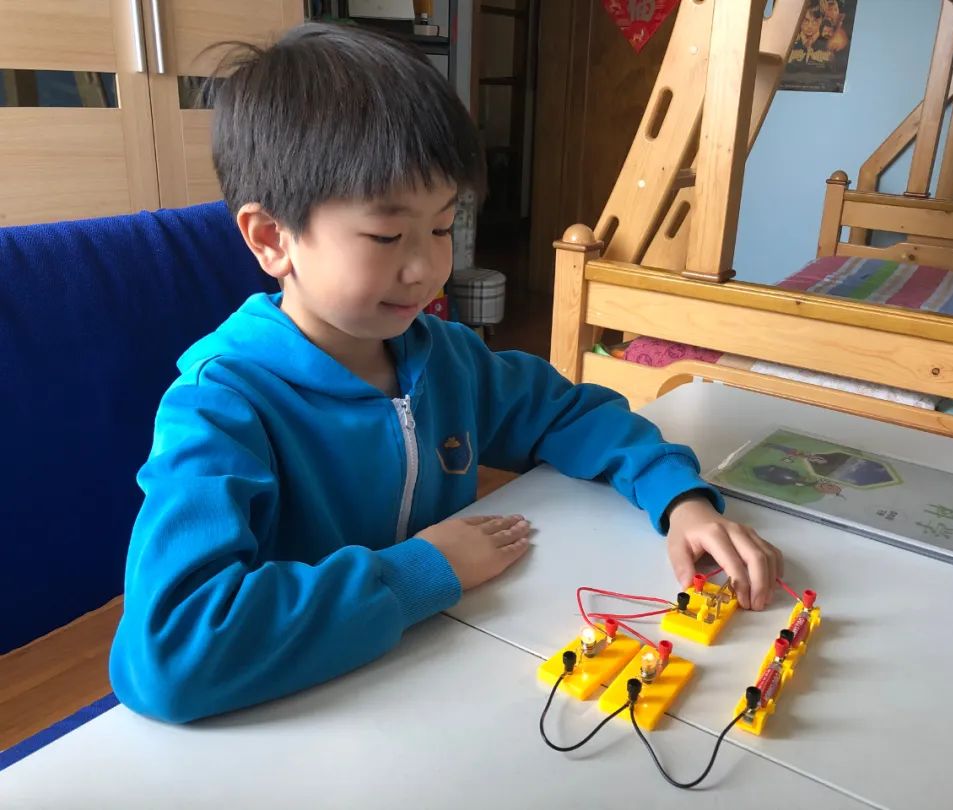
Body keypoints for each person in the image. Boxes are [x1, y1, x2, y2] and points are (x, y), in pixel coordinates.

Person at [109, 23, 782, 723]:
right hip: (308, 717)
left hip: (441, 676)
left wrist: (680, 497)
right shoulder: (220, 407)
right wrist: (424, 570)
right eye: (386, 235)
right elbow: (170, 654)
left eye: (441, 226)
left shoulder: (444, 356)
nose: (428, 266)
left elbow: (568, 412)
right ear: (272, 238)